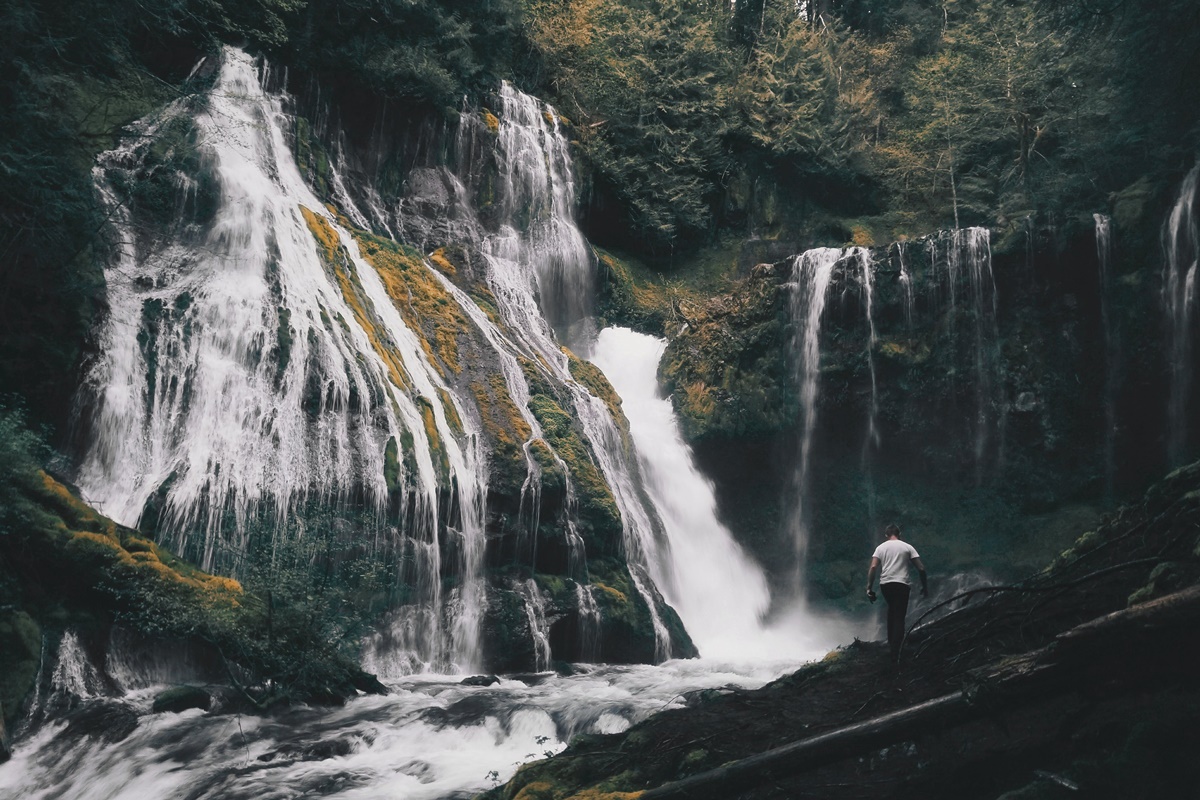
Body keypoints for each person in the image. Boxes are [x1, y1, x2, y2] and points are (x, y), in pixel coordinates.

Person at [865, 523, 927, 664]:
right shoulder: (907, 547)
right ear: (900, 534)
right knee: (899, 615)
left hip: (886, 584)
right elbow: (921, 568)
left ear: (886, 535)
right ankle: (896, 651)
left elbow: (874, 567)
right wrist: (925, 586)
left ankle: (891, 644)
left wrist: (869, 588)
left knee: (891, 610)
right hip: (902, 584)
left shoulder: (880, 548)